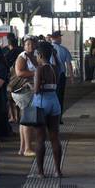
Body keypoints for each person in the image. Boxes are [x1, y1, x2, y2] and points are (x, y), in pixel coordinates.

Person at [28, 41, 64, 177]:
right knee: (55, 137)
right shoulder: (56, 68)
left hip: (41, 104)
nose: (36, 56)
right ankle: (57, 171)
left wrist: (31, 87)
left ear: (40, 54)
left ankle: (41, 172)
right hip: (54, 103)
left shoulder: (39, 69)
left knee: (40, 138)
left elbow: (37, 90)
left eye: (37, 54)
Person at [11, 36, 39, 156]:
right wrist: (36, 73)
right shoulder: (22, 57)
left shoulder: (34, 55)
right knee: (28, 119)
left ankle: (23, 148)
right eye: (27, 44)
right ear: (24, 45)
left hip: (27, 91)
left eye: (32, 44)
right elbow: (19, 72)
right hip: (23, 91)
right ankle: (27, 148)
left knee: (24, 119)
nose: (30, 46)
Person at [49, 30, 74, 109]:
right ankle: (59, 117)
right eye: (60, 37)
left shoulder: (47, 49)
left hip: (49, 75)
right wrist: (71, 76)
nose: (61, 39)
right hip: (61, 75)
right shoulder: (64, 49)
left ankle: (51, 115)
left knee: (50, 95)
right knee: (60, 96)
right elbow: (69, 64)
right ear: (57, 38)